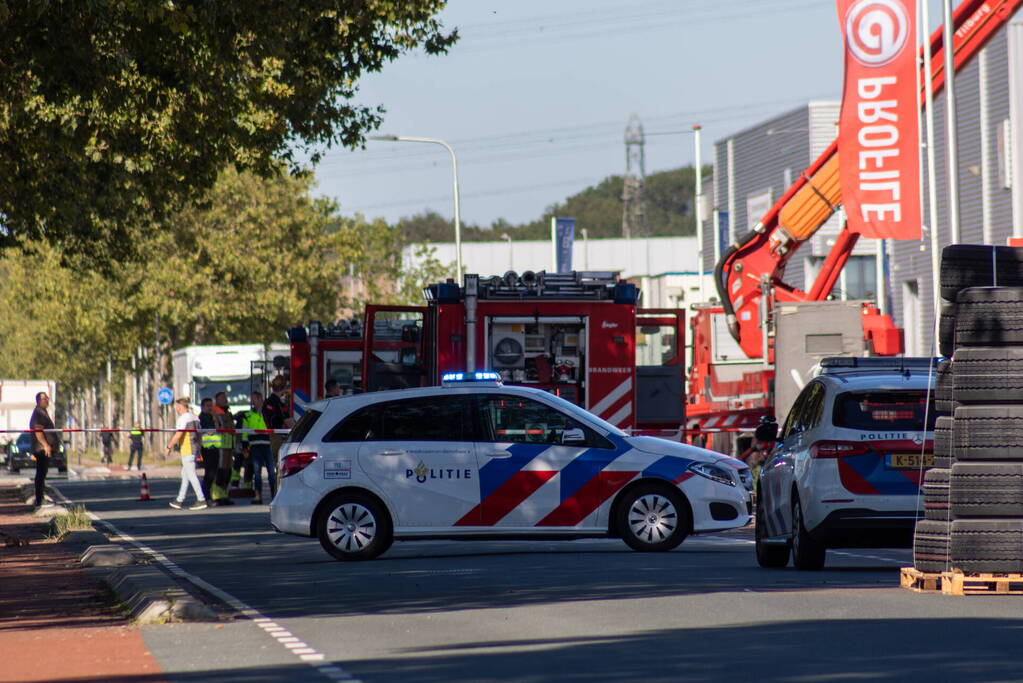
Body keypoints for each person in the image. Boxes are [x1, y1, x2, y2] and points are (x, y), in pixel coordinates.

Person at [164, 398, 208, 510]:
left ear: (180, 407)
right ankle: (179, 500)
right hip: (194, 449)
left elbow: (178, 435)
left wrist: (169, 446)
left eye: (176, 408)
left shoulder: (183, 419)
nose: (176, 410)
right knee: (185, 475)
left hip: (187, 449)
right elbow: (200, 435)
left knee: (191, 475)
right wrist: (199, 450)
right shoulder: (195, 417)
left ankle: (201, 499)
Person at [241, 392, 276, 504]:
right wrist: (245, 447)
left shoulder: (269, 412)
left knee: (271, 473)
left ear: (261, 399)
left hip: (268, 445)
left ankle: (274, 497)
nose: (253, 402)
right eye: (252, 399)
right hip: (255, 446)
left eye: (255, 399)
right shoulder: (248, 415)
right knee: (257, 473)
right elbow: (245, 432)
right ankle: (258, 496)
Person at [29, 392, 59, 508]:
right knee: (41, 473)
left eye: (47, 398)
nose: (47, 400)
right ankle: (39, 499)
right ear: (38, 400)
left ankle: (40, 497)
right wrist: (46, 445)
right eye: (44, 398)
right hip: (41, 449)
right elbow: (38, 430)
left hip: (42, 448)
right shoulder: (39, 412)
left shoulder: (43, 412)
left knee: (43, 472)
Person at [210, 392, 235, 506]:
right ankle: (216, 496)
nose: (225, 400)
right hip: (220, 445)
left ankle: (224, 495)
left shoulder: (228, 412)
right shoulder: (215, 411)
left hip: (229, 444)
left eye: (225, 398)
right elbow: (218, 427)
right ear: (217, 400)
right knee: (220, 471)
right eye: (222, 398)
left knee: (228, 471)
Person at [198, 398, 219, 497]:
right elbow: (210, 431)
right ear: (202, 407)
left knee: (214, 471)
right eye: (208, 405)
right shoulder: (202, 417)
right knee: (209, 472)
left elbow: (218, 429)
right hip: (206, 447)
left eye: (211, 405)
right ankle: (205, 493)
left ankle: (207, 493)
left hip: (215, 446)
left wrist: (215, 418)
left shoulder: (212, 416)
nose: (210, 408)